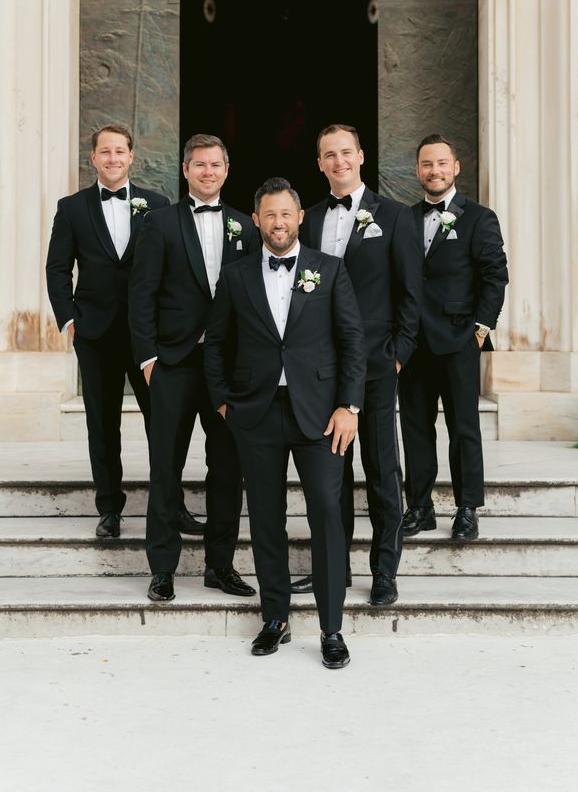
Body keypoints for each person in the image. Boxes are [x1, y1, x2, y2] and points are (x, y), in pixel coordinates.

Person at [204, 177, 366, 668]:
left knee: (325, 513)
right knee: (267, 519)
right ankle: (274, 618)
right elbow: (215, 344)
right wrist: (224, 404)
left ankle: (331, 627)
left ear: (300, 219)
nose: (278, 223)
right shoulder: (234, 277)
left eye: (286, 214)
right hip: (255, 414)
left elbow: (352, 343)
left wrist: (349, 407)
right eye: (269, 215)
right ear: (256, 221)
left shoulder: (330, 270)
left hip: (320, 416)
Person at [291, 125, 421, 607]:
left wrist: (399, 355)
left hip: (375, 364)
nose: (339, 161)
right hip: (321, 369)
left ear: (361, 156)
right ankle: (335, 568)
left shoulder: (397, 216)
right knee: (331, 473)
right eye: (330, 155)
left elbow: (411, 295)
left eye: (346, 152)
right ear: (320, 163)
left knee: (383, 469)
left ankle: (384, 571)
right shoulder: (309, 219)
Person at [128, 134, 257, 603]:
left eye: (215, 164)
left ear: (227, 170)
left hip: (228, 369)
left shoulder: (247, 225)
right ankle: (162, 568)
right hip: (174, 364)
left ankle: (219, 566)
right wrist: (148, 358)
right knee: (166, 466)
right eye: (199, 164)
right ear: (185, 170)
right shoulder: (160, 224)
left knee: (228, 468)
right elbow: (140, 295)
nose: (207, 172)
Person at [45, 124, 169, 537]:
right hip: (95, 334)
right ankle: (109, 509)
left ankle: (168, 504)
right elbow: (57, 268)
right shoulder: (72, 208)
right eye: (105, 152)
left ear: (132, 156)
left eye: (120, 151)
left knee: (162, 421)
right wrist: (69, 319)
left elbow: (171, 267)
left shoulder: (157, 204)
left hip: (147, 335)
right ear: (93, 158)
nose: (113, 158)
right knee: (102, 423)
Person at [398, 133, 509, 542]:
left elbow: (495, 276)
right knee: (415, 428)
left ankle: (466, 509)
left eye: (442, 163)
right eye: (427, 164)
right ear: (418, 171)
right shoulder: (403, 219)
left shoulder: (479, 217)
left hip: (460, 339)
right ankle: (420, 507)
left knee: (464, 428)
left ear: (456, 167)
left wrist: (481, 329)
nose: (434, 171)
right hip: (412, 344)